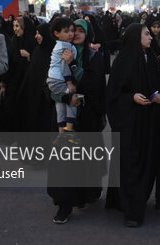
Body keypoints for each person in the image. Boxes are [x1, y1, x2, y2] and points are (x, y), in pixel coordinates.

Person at [48, 19, 107, 224]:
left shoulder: (93, 56)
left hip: (87, 117)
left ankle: (85, 195)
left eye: (81, 30)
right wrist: (65, 98)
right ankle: (65, 206)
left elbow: (95, 84)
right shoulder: (61, 52)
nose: (76, 34)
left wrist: (74, 64)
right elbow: (52, 82)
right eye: (73, 30)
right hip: (66, 117)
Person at [106, 24, 160, 227]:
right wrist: (131, 98)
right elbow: (113, 95)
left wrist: (157, 94)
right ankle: (132, 212)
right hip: (129, 123)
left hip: (148, 121)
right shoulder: (123, 61)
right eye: (146, 34)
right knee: (129, 163)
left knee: (146, 161)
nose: (150, 37)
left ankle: (133, 202)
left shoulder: (151, 59)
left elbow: (158, 84)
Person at [47, 17, 78, 132]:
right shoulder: (66, 46)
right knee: (72, 100)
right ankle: (69, 129)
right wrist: (69, 83)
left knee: (60, 104)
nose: (71, 34)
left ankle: (61, 132)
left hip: (52, 79)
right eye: (66, 31)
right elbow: (65, 66)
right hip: (59, 79)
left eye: (71, 30)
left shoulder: (58, 45)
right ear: (56, 33)